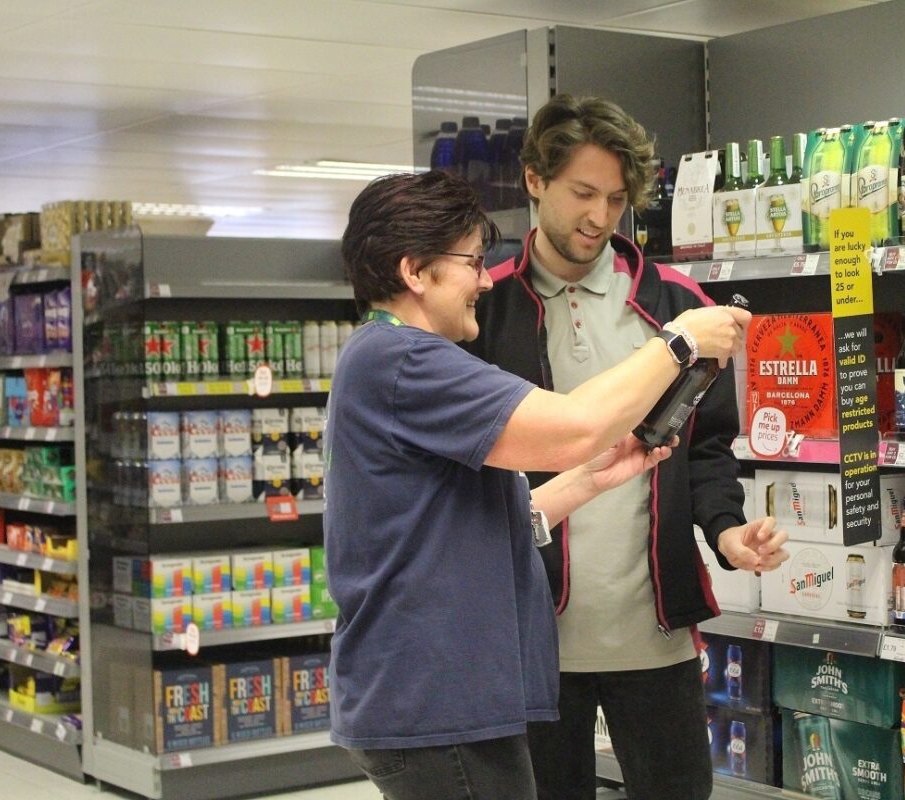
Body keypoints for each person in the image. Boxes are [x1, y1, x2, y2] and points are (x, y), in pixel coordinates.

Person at [324, 169, 751, 800]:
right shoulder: (406, 360)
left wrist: (585, 480)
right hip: (436, 703)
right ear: (415, 271)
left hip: (441, 698)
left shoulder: (388, 359)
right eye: (470, 261)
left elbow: (455, 524)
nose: (480, 280)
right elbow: (575, 423)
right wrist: (680, 343)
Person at [465, 94, 790, 800]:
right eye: (582, 192)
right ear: (533, 180)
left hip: (654, 633)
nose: (599, 216)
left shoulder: (678, 304)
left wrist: (729, 532)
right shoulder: (483, 309)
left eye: (615, 199)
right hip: (529, 637)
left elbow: (706, 447)